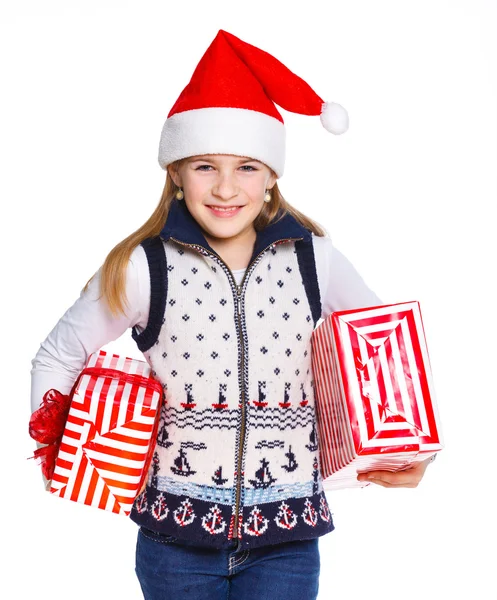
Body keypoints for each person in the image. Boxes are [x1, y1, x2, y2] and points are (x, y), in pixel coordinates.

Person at [30, 29, 434, 600]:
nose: (225, 188)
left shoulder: (316, 260)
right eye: (203, 166)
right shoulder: (144, 267)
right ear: (174, 170)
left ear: (272, 176)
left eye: (247, 167)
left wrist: (407, 450)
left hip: (288, 542)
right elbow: (57, 355)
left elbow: (383, 352)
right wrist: (57, 448)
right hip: (174, 545)